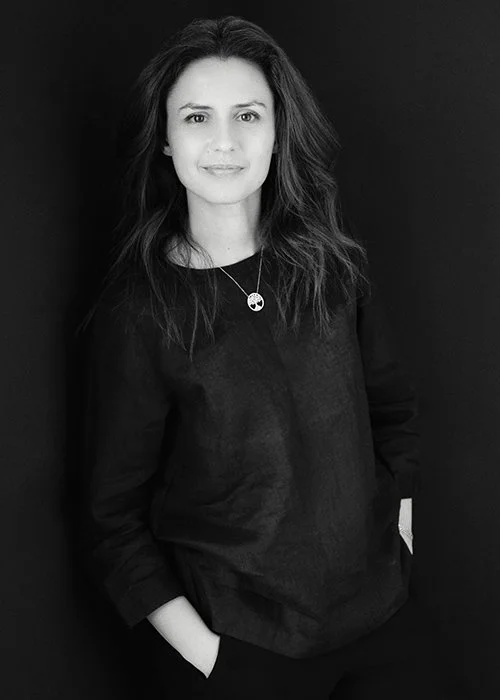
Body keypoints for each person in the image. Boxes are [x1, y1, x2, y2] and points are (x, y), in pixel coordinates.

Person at [78, 15, 451, 699]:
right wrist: (211, 658)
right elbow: (113, 518)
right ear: (165, 138)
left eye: (248, 115)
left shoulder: (330, 264)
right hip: (244, 649)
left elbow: (393, 409)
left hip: (385, 619)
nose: (224, 141)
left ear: (278, 131)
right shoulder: (140, 312)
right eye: (197, 117)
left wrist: (397, 537)